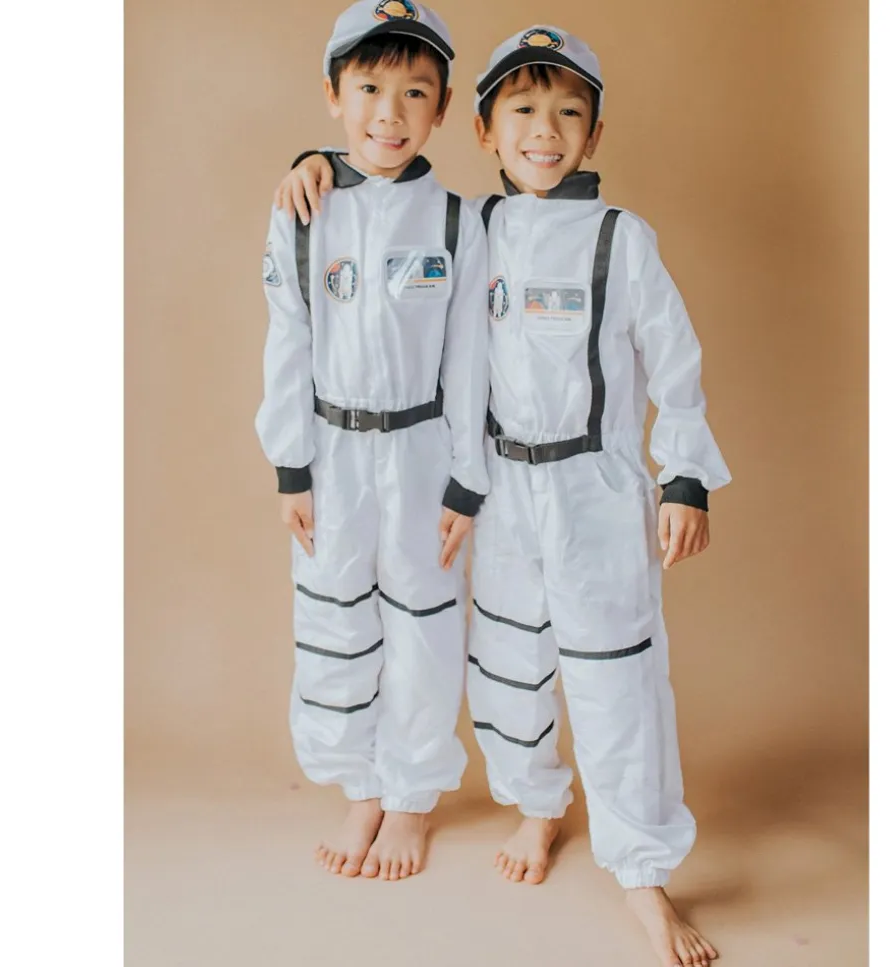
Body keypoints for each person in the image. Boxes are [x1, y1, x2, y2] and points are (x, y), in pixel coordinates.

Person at [276, 23, 729, 967]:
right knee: (506, 664)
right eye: (521, 111)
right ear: (482, 129)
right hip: (503, 486)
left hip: (596, 486)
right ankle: (538, 804)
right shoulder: (473, 224)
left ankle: (644, 878)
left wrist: (684, 474)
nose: (544, 132)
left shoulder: (620, 238)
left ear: (595, 133)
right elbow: (383, 204)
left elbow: (674, 358)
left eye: (567, 114)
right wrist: (308, 164)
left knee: (614, 675)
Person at [256, 0, 489, 883]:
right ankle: (362, 782)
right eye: (368, 89)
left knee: (424, 622)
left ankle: (413, 793)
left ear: (443, 108)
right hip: (333, 449)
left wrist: (466, 478)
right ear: (333, 95)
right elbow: (287, 337)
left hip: (422, 449)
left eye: (415, 93)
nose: (389, 113)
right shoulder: (304, 209)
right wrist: (293, 464)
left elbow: (470, 360)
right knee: (333, 613)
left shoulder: (458, 221)